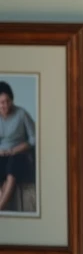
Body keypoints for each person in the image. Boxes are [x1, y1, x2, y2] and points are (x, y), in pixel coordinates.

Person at [0, 81, 36, 212]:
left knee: (12, 166)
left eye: (7, 101)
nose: (5, 105)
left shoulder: (21, 114)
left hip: (19, 153)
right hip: (2, 155)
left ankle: (1, 208)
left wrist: (13, 150)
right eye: (1, 102)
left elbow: (34, 138)